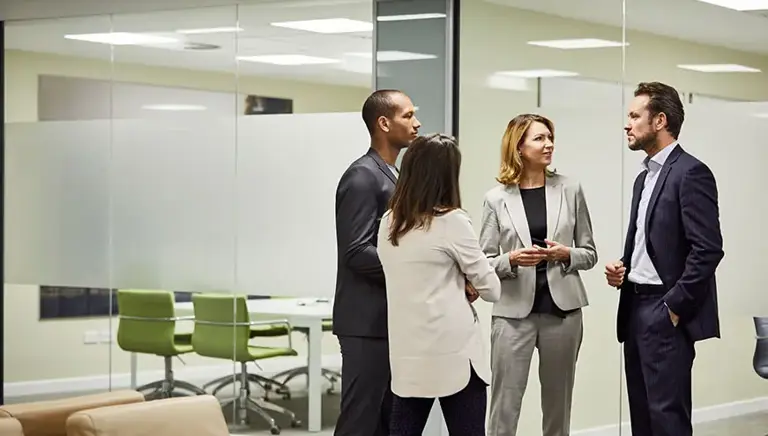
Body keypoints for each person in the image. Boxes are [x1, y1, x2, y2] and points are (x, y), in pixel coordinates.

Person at [605, 82, 724, 436]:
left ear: (659, 120)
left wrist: (674, 306)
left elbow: (708, 249)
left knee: (667, 420)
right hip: (634, 308)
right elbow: (651, 243)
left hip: (665, 312)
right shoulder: (643, 179)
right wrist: (623, 270)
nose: (627, 124)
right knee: (642, 419)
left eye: (634, 115)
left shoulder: (691, 172)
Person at [479, 114, 598, 436]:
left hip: (563, 313)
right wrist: (513, 260)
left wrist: (566, 254)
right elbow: (484, 261)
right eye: (539, 139)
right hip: (513, 315)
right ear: (518, 146)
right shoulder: (496, 199)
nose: (549, 145)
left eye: (550, 137)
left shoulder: (570, 189)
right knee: (504, 406)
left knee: (559, 407)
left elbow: (589, 253)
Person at [377, 133, 501, 436]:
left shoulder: (388, 223)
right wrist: (467, 281)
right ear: (447, 176)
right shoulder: (452, 222)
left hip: (409, 354)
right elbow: (492, 289)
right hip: (455, 355)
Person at [332, 89, 421, 436]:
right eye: (408, 115)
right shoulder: (362, 176)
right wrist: (412, 271)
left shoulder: (391, 174)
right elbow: (355, 251)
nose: (417, 123)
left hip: (388, 320)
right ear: (383, 123)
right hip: (365, 324)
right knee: (360, 421)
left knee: (386, 422)